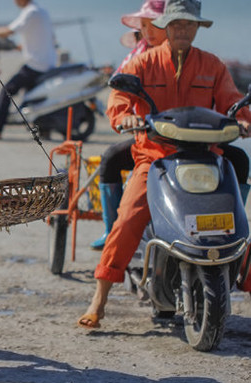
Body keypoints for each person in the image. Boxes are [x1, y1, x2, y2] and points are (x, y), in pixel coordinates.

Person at [77, 0, 251, 329]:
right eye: (176, 24)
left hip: (205, 155)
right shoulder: (142, 63)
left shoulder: (213, 66)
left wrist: (243, 120)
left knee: (238, 221)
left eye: (189, 24)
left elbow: (231, 101)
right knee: (127, 219)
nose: (182, 29)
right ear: (165, 27)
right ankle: (98, 299)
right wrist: (126, 116)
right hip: (155, 156)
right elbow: (119, 100)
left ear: (198, 27)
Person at [90, 0, 167, 250]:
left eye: (154, 23)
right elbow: (118, 93)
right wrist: (126, 118)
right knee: (111, 158)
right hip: (147, 136)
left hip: (186, 139)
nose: (148, 30)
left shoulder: (191, 58)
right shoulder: (139, 58)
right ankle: (113, 231)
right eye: (145, 25)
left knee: (237, 161)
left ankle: (227, 236)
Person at [0, 0, 56, 140]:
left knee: (6, 91)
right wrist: (21, 47)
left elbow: (8, 31)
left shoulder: (31, 12)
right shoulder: (41, 11)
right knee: (35, 96)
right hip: (47, 62)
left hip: (36, 65)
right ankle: (44, 130)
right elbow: (43, 36)